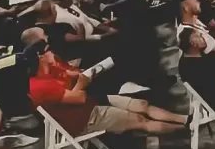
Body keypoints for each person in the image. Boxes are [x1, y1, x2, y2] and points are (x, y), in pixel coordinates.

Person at [26, 42, 187, 137]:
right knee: (140, 120)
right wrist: (81, 81)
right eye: (46, 51)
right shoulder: (41, 85)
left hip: (90, 101)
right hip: (83, 118)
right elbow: (79, 97)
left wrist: (76, 76)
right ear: (40, 58)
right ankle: (186, 130)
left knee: (142, 104)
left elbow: (73, 79)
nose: (51, 52)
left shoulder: (50, 70)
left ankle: (186, 119)